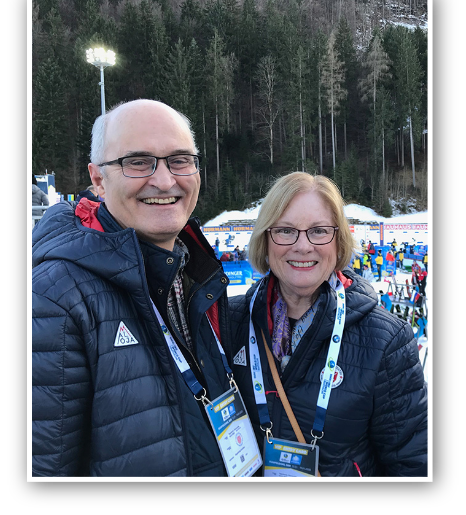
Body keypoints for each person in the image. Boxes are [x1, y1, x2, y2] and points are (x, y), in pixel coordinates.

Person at [32, 99, 236, 477]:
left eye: (179, 159)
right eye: (138, 161)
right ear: (97, 178)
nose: (164, 180)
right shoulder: (55, 297)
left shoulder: (196, 270)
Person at [229, 172, 427, 477]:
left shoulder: (386, 339)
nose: (303, 246)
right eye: (285, 230)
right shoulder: (230, 321)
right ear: (265, 240)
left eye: (319, 231)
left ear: (338, 241)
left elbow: (413, 463)